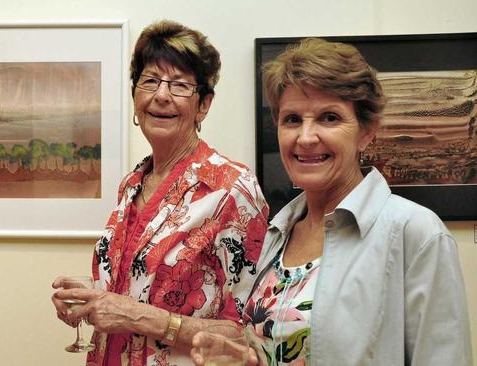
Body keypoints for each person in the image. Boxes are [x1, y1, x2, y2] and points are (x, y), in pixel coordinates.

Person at [192, 37, 473, 365]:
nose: (306, 137)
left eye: (329, 118)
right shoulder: (273, 238)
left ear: (367, 131)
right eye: (292, 119)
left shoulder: (415, 233)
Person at [52, 20, 268, 366]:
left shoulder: (231, 189)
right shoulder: (132, 183)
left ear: (203, 105)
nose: (161, 95)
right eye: (150, 81)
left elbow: (252, 334)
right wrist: (91, 304)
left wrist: (141, 318)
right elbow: (124, 297)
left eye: (180, 85)